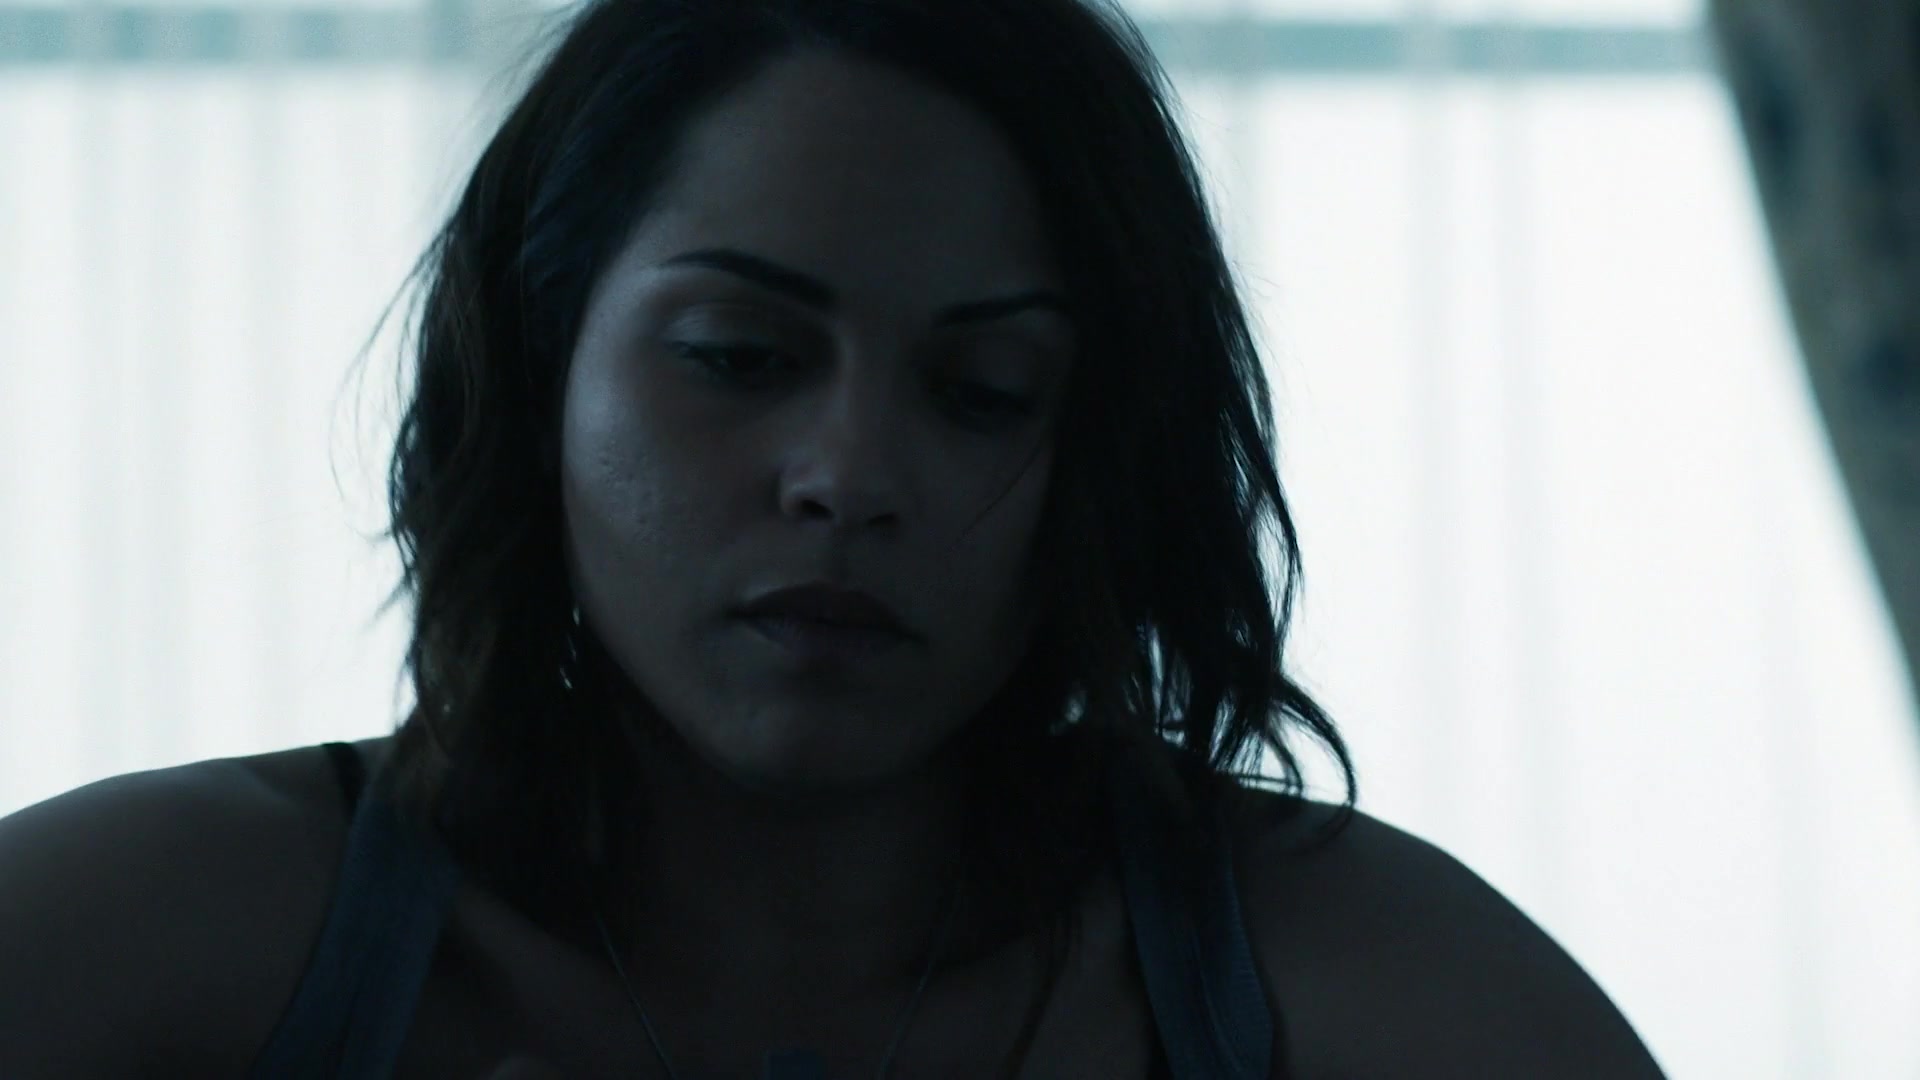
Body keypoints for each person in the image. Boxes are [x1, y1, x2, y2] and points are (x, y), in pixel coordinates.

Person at [0, 0, 1668, 1077]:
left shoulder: (1372, 993)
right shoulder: (160, 940)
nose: (850, 476)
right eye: (740, 358)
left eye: (984, 392)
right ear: (542, 365)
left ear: (1101, 454)